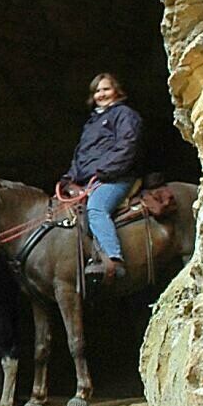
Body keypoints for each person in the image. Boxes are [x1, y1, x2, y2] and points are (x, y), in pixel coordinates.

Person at [63, 72, 142, 279]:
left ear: (117, 91)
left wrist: (103, 172)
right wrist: (69, 178)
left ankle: (113, 259)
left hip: (116, 177)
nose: (101, 94)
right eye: (97, 90)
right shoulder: (92, 123)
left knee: (96, 208)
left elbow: (127, 146)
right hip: (91, 179)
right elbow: (81, 155)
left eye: (106, 89)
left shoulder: (125, 114)